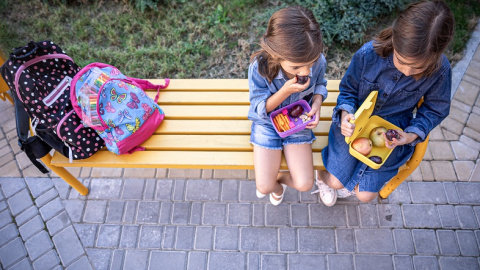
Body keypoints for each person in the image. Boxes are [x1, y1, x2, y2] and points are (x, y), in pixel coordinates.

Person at [316, 0, 455, 206]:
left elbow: (435, 110)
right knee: (336, 182)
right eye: (402, 61)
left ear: (436, 56)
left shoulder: (440, 71)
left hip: (395, 132)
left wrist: (411, 135)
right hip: (356, 123)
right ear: (395, 40)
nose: (407, 72)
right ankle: (322, 177)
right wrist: (346, 114)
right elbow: (348, 90)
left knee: (364, 195)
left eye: (417, 68)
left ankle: (351, 180)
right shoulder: (368, 54)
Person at [248, 6, 328, 205]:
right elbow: (259, 109)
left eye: (311, 64)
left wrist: (316, 104)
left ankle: (281, 177)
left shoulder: (317, 61)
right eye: (296, 67)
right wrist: (284, 91)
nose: (306, 72)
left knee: (304, 184)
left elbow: (320, 86)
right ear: (276, 54)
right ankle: (276, 185)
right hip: (267, 123)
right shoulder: (260, 68)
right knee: (264, 187)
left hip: (298, 122)